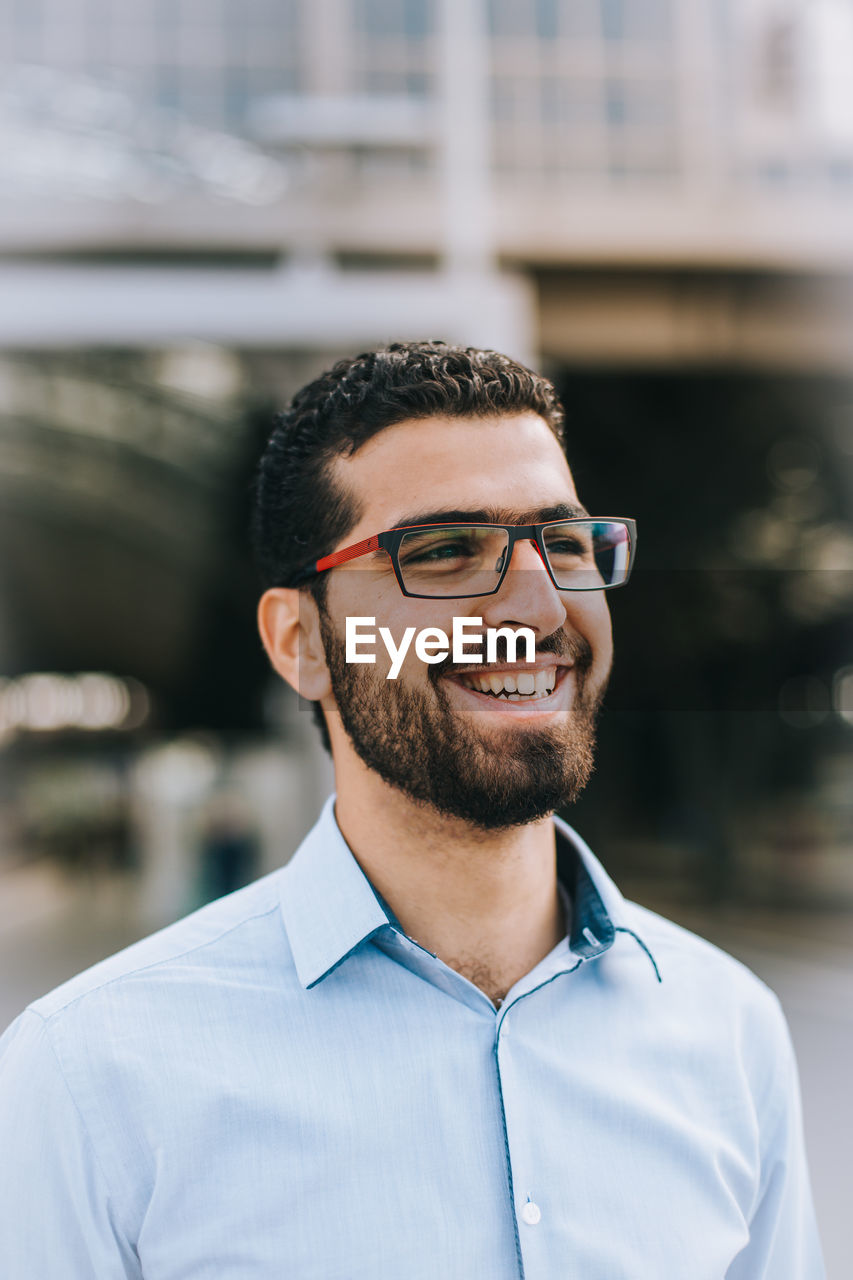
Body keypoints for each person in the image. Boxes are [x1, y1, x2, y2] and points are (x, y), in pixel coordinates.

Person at [0, 342, 824, 1278]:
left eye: (563, 544)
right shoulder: (91, 1076)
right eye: (441, 552)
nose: (537, 604)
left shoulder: (726, 1028)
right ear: (300, 640)